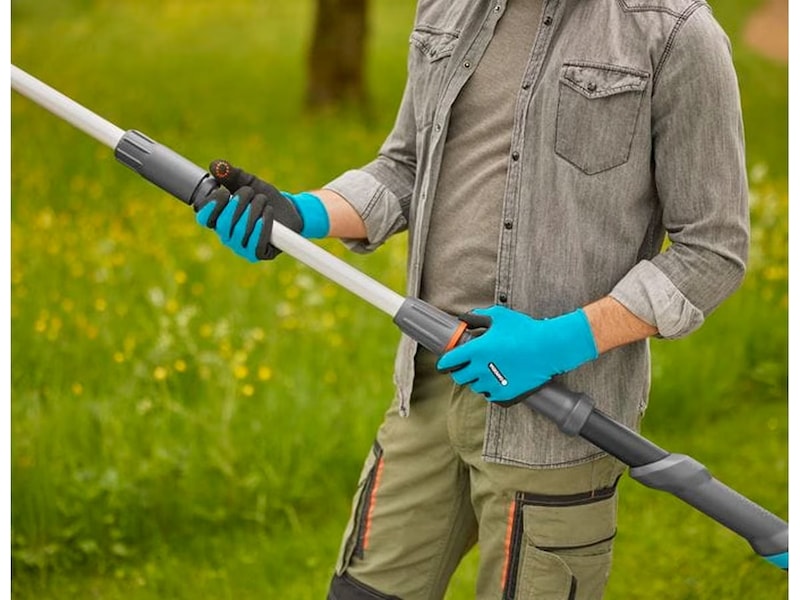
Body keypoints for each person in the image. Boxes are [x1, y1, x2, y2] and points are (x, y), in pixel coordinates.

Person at [193, 0, 749, 597]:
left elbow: (712, 249)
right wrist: (302, 214)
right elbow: (406, 166)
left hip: (556, 415)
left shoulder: (675, 32)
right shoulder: (446, 8)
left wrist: (555, 343)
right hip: (429, 387)